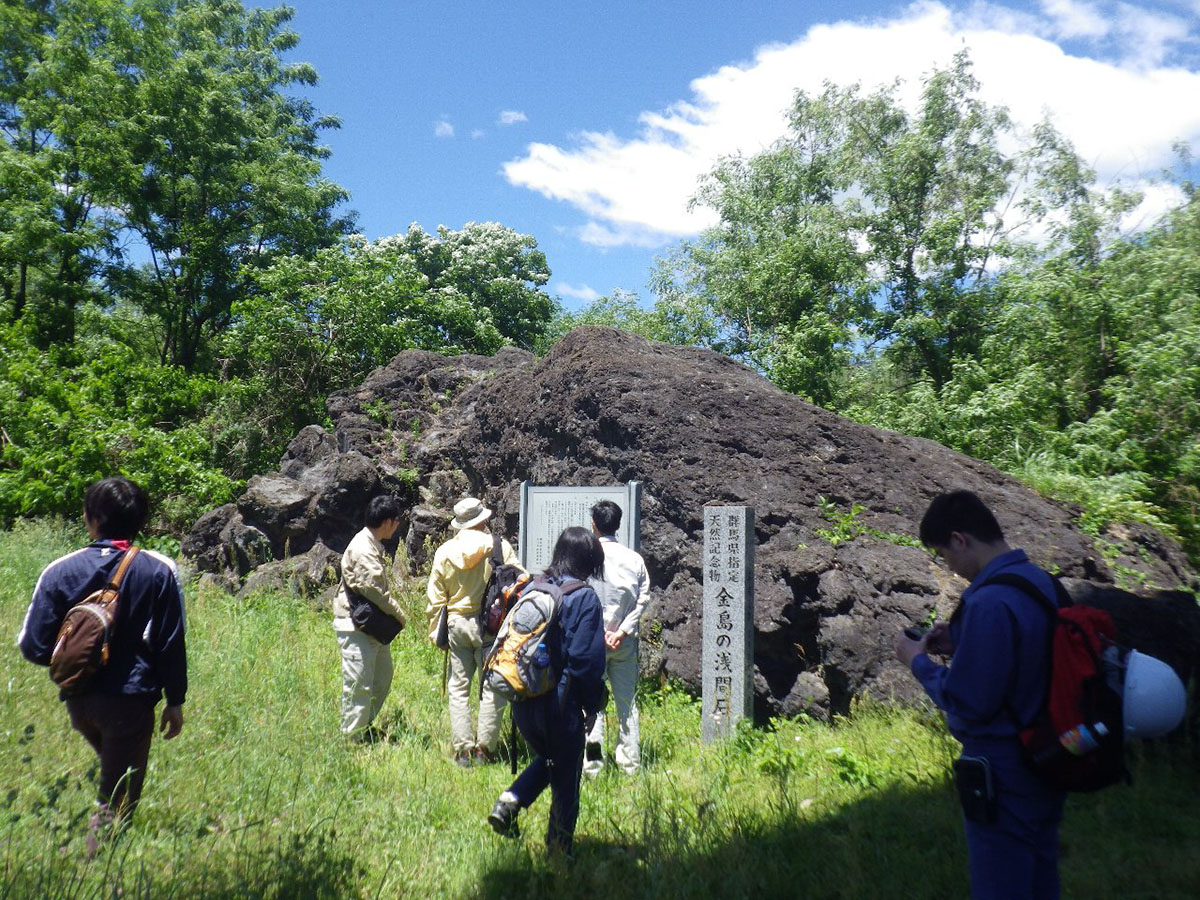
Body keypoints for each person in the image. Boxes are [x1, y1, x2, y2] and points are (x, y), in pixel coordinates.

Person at [894, 490, 1067, 899]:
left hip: (1003, 767)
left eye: (943, 554)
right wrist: (960, 642)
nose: (949, 568)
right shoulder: (1042, 582)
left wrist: (915, 661)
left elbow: (969, 701)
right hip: (1050, 755)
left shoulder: (989, 601)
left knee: (1001, 884)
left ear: (959, 539)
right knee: (1040, 876)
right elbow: (1026, 657)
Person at [17, 477, 187, 852]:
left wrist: (80, 660)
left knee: (119, 778)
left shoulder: (59, 570)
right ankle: (93, 864)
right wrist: (175, 700)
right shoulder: (158, 570)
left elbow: (32, 645)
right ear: (140, 520)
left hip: (79, 700)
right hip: (131, 701)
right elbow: (169, 642)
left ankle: (105, 853)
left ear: (90, 518)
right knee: (116, 794)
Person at [487, 526, 607, 854]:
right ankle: (558, 856)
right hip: (559, 704)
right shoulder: (583, 596)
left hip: (524, 699)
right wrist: (593, 702)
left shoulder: (536, 586)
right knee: (566, 779)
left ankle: (510, 802)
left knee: (551, 759)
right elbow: (585, 660)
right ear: (590, 559)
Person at [426, 497, 522, 765]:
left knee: (458, 686)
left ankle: (463, 749)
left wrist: (437, 632)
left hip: (457, 624)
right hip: (491, 627)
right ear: (483, 519)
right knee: (492, 684)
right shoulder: (499, 546)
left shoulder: (444, 551)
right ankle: (485, 749)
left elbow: (435, 598)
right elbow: (518, 583)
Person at [583, 499, 650, 777]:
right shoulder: (634, 559)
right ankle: (630, 763)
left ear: (594, 525)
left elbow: (578, 597)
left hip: (591, 643)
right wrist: (621, 631)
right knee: (627, 704)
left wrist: (599, 633)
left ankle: (593, 766)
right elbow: (643, 599)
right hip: (623, 642)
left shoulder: (584, 557)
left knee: (590, 705)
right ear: (618, 525)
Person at [334, 494, 406, 741]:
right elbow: (375, 591)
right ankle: (350, 740)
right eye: (396, 521)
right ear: (387, 522)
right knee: (358, 685)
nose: (397, 526)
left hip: (369, 626)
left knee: (381, 678)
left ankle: (363, 727)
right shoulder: (364, 548)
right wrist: (399, 614)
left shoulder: (370, 543)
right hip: (356, 626)